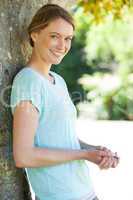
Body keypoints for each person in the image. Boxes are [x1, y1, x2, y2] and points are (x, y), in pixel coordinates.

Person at [10, 4, 119, 200]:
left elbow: (61, 138)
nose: (63, 45)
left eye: (68, 38)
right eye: (55, 36)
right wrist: (83, 155)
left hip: (85, 191)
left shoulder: (57, 81)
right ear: (35, 35)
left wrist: (93, 151)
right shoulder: (28, 82)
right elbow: (24, 155)